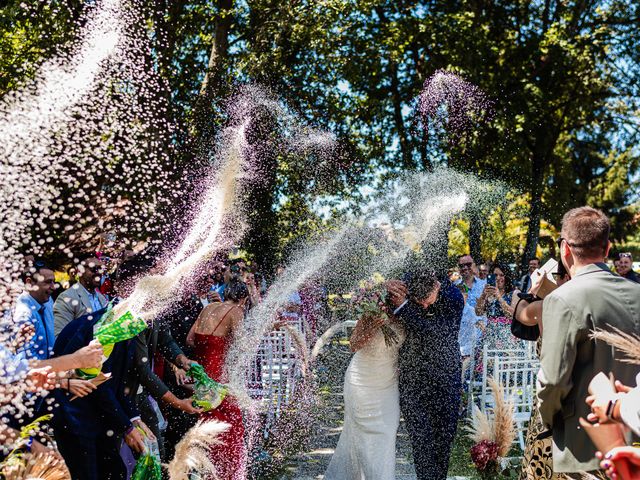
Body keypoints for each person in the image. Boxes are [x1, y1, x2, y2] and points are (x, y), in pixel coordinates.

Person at [518, 206, 640, 475]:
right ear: (607, 249)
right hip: (635, 445)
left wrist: (551, 421)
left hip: (584, 445)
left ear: (565, 250)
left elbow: (552, 381)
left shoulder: (562, 299)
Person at [52, 308, 154, 480]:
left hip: (98, 417)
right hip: (75, 418)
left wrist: (134, 419)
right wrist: (127, 428)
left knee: (115, 472)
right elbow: (101, 386)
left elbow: (118, 383)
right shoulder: (104, 328)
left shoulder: (125, 326)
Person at [387, 268, 465, 480]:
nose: (423, 306)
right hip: (412, 379)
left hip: (445, 378)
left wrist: (404, 306)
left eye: (427, 301)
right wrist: (387, 287)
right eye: (418, 301)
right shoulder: (408, 285)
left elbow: (432, 332)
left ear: (437, 286)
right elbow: (386, 300)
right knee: (420, 440)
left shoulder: (454, 298)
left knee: (443, 440)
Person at [324, 284, 405, 479]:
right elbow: (354, 344)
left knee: (386, 435)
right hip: (361, 382)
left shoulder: (407, 316)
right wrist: (374, 325)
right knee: (360, 441)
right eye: (393, 295)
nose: (396, 298)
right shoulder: (371, 313)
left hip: (387, 386)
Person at [186, 276, 249, 480]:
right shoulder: (236, 311)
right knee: (230, 427)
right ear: (243, 300)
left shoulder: (207, 308)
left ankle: (202, 472)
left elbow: (190, 339)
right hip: (220, 379)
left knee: (206, 425)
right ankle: (225, 475)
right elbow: (242, 346)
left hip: (201, 376)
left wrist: (208, 351)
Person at [513, 261, 571, 480]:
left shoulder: (548, 306)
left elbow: (520, 311)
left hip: (551, 397)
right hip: (586, 397)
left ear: (564, 278)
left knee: (541, 465)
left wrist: (530, 289)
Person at [53, 254, 108, 336]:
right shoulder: (67, 298)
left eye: (101, 269)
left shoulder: (102, 298)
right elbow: (60, 336)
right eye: (94, 269)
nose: (99, 273)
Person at [475, 263, 521, 351]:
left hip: (507, 337)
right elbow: (478, 312)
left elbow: (512, 315)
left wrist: (499, 296)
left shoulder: (515, 293)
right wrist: (483, 295)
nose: (498, 278)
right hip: (489, 336)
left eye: (502, 275)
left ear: (507, 277)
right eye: (495, 275)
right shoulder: (488, 294)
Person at [455, 255, 486, 362]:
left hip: (481, 340)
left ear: (474, 265)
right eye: (461, 265)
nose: (464, 268)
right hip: (462, 340)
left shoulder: (484, 285)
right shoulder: (454, 287)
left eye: (468, 264)